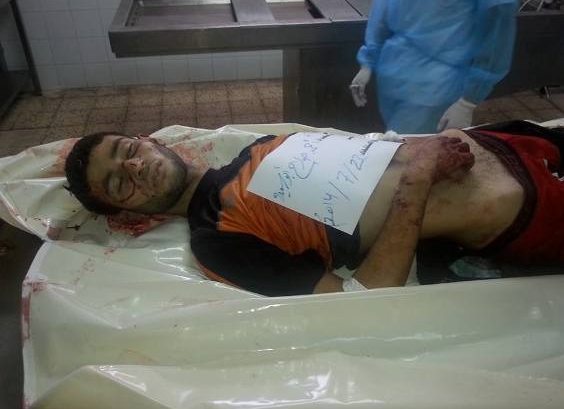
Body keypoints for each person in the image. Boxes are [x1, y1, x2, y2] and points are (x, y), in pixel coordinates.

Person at [64, 120, 564, 296]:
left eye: (127, 152)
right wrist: (417, 178)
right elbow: (363, 297)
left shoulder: (261, 145)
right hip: (528, 209)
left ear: (149, 141)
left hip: (513, 141)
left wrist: (428, 148)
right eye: (119, 183)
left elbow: (373, 151)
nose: (134, 168)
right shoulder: (216, 241)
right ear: (132, 217)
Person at [350, 0, 518, 134]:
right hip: (393, 75)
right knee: (396, 143)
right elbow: (385, 3)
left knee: (409, 148)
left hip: (436, 85)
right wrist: (368, 62)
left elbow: (498, 16)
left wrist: (468, 101)